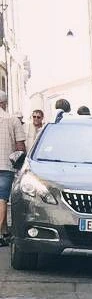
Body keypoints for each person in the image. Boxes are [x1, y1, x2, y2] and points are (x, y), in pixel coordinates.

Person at [0, 93, 26, 245]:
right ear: (4, 103)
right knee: (2, 199)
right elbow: (20, 146)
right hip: (6, 165)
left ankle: (4, 232)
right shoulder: (13, 119)